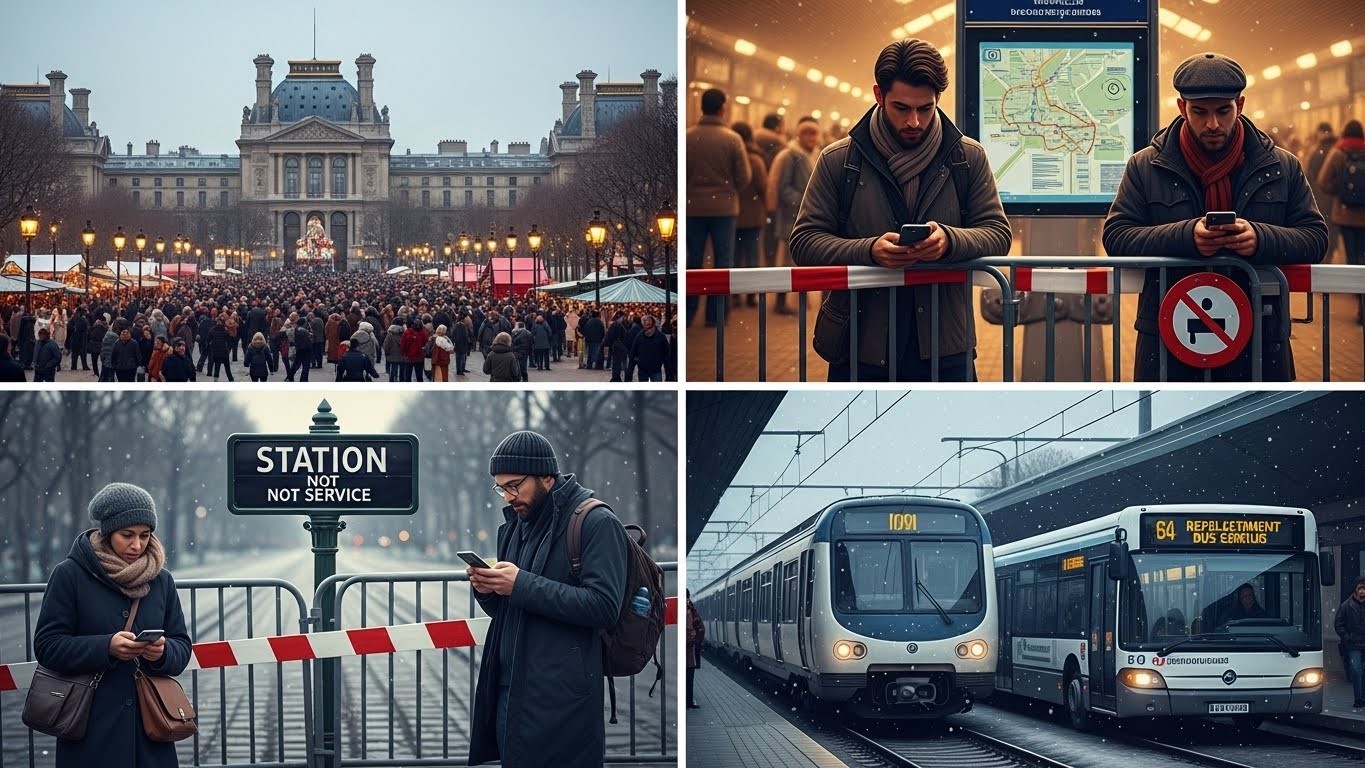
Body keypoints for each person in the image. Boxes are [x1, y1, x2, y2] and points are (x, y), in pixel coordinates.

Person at [790, 39, 1012, 381]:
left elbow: (997, 233)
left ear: (938, 99)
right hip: (859, 343)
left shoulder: (967, 157)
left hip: (945, 345)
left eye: (925, 108)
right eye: (902, 108)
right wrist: (868, 250)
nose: (914, 121)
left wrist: (949, 242)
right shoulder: (840, 161)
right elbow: (804, 242)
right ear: (878, 95)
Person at [1102, 52, 1328, 381]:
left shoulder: (1281, 166)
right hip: (1169, 336)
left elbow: (1316, 239)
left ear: (1241, 104)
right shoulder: (1145, 166)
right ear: (1182, 108)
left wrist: (1260, 238)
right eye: (1199, 112)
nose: (1212, 124)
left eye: (1223, 111)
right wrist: (1187, 236)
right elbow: (1117, 237)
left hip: (1260, 335)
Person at [466, 431, 629, 767]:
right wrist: (488, 590)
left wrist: (520, 584)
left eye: (514, 485)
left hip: (561, 702)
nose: (508, 496)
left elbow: (603, 607)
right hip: (511, 694)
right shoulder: (514, 526)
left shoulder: (596, 522)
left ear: (545, 476)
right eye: (501, 487)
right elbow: (512, 605)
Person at [32, 482, 191, 767]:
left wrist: (163, 653)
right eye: (126, 535)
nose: (137, 545)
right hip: (91, 729)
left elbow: (181, 645)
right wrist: (106, 646)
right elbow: (47, 646)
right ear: (106, 533)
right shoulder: (70, 575)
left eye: (145, 535)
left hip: (150, 735)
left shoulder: (161, 579)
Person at [686, 87, 751, 327]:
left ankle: (690, 313)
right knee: (723, 263)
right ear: (722, 107)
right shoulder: (732, 139)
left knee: (694, 262)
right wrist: (726, 190)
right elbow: (744, 177)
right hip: (724, 209)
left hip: (693, 210)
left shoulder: (688, 137)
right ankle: (716, 314)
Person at [768, 116, 823, 315]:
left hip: (808, 217)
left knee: (801, 261)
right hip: (792, 217)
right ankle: (782, 302)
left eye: (814, 133)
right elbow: (783, 188)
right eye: (807, 133)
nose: (811, 137)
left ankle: (800, 301)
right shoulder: (790, 156)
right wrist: (806, 200)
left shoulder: (817, 155)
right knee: (787, 262)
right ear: (798, 134)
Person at [1315, 119, 1365, 325]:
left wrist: (1342, 194)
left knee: (1354, 261)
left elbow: (1323, 181)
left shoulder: (1338, 153)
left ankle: (1361, 309)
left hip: (1345, 216)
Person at [731, 122, 769, 307]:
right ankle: (752, 294)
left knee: (735, 257)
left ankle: (736, 294)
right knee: (753, 257)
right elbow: (763, 186)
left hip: (733, 213)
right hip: (753, 215)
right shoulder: (755, 159)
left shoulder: (729, 156)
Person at [1305, 121, 1342, 261]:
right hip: (1338, 198)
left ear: (1320, 132)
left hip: (1320, 196)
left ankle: (1326, 257)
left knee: (1324, 227)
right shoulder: (1338, 149)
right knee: (1334, 229)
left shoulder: (1316, 151)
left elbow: (1309, 174)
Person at [1337, 578, 1365, 708]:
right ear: (1355, 589)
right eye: (1360, 588)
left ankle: (1362, 697)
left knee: (1360, 671)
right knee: (1356, 670)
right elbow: (1338, 624)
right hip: (1354, 644)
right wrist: (1347, 637)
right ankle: (1358, 698)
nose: (1362, 591)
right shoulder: (1346, 605)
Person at [686, 590, 704, 709]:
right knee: (688, 677)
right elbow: (692, 629)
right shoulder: (688, 610)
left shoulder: (689, 609)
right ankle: (688, 701)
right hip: (688, 650)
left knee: (688, 677)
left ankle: (688, 701)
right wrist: (695, 641)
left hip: (688, 650)